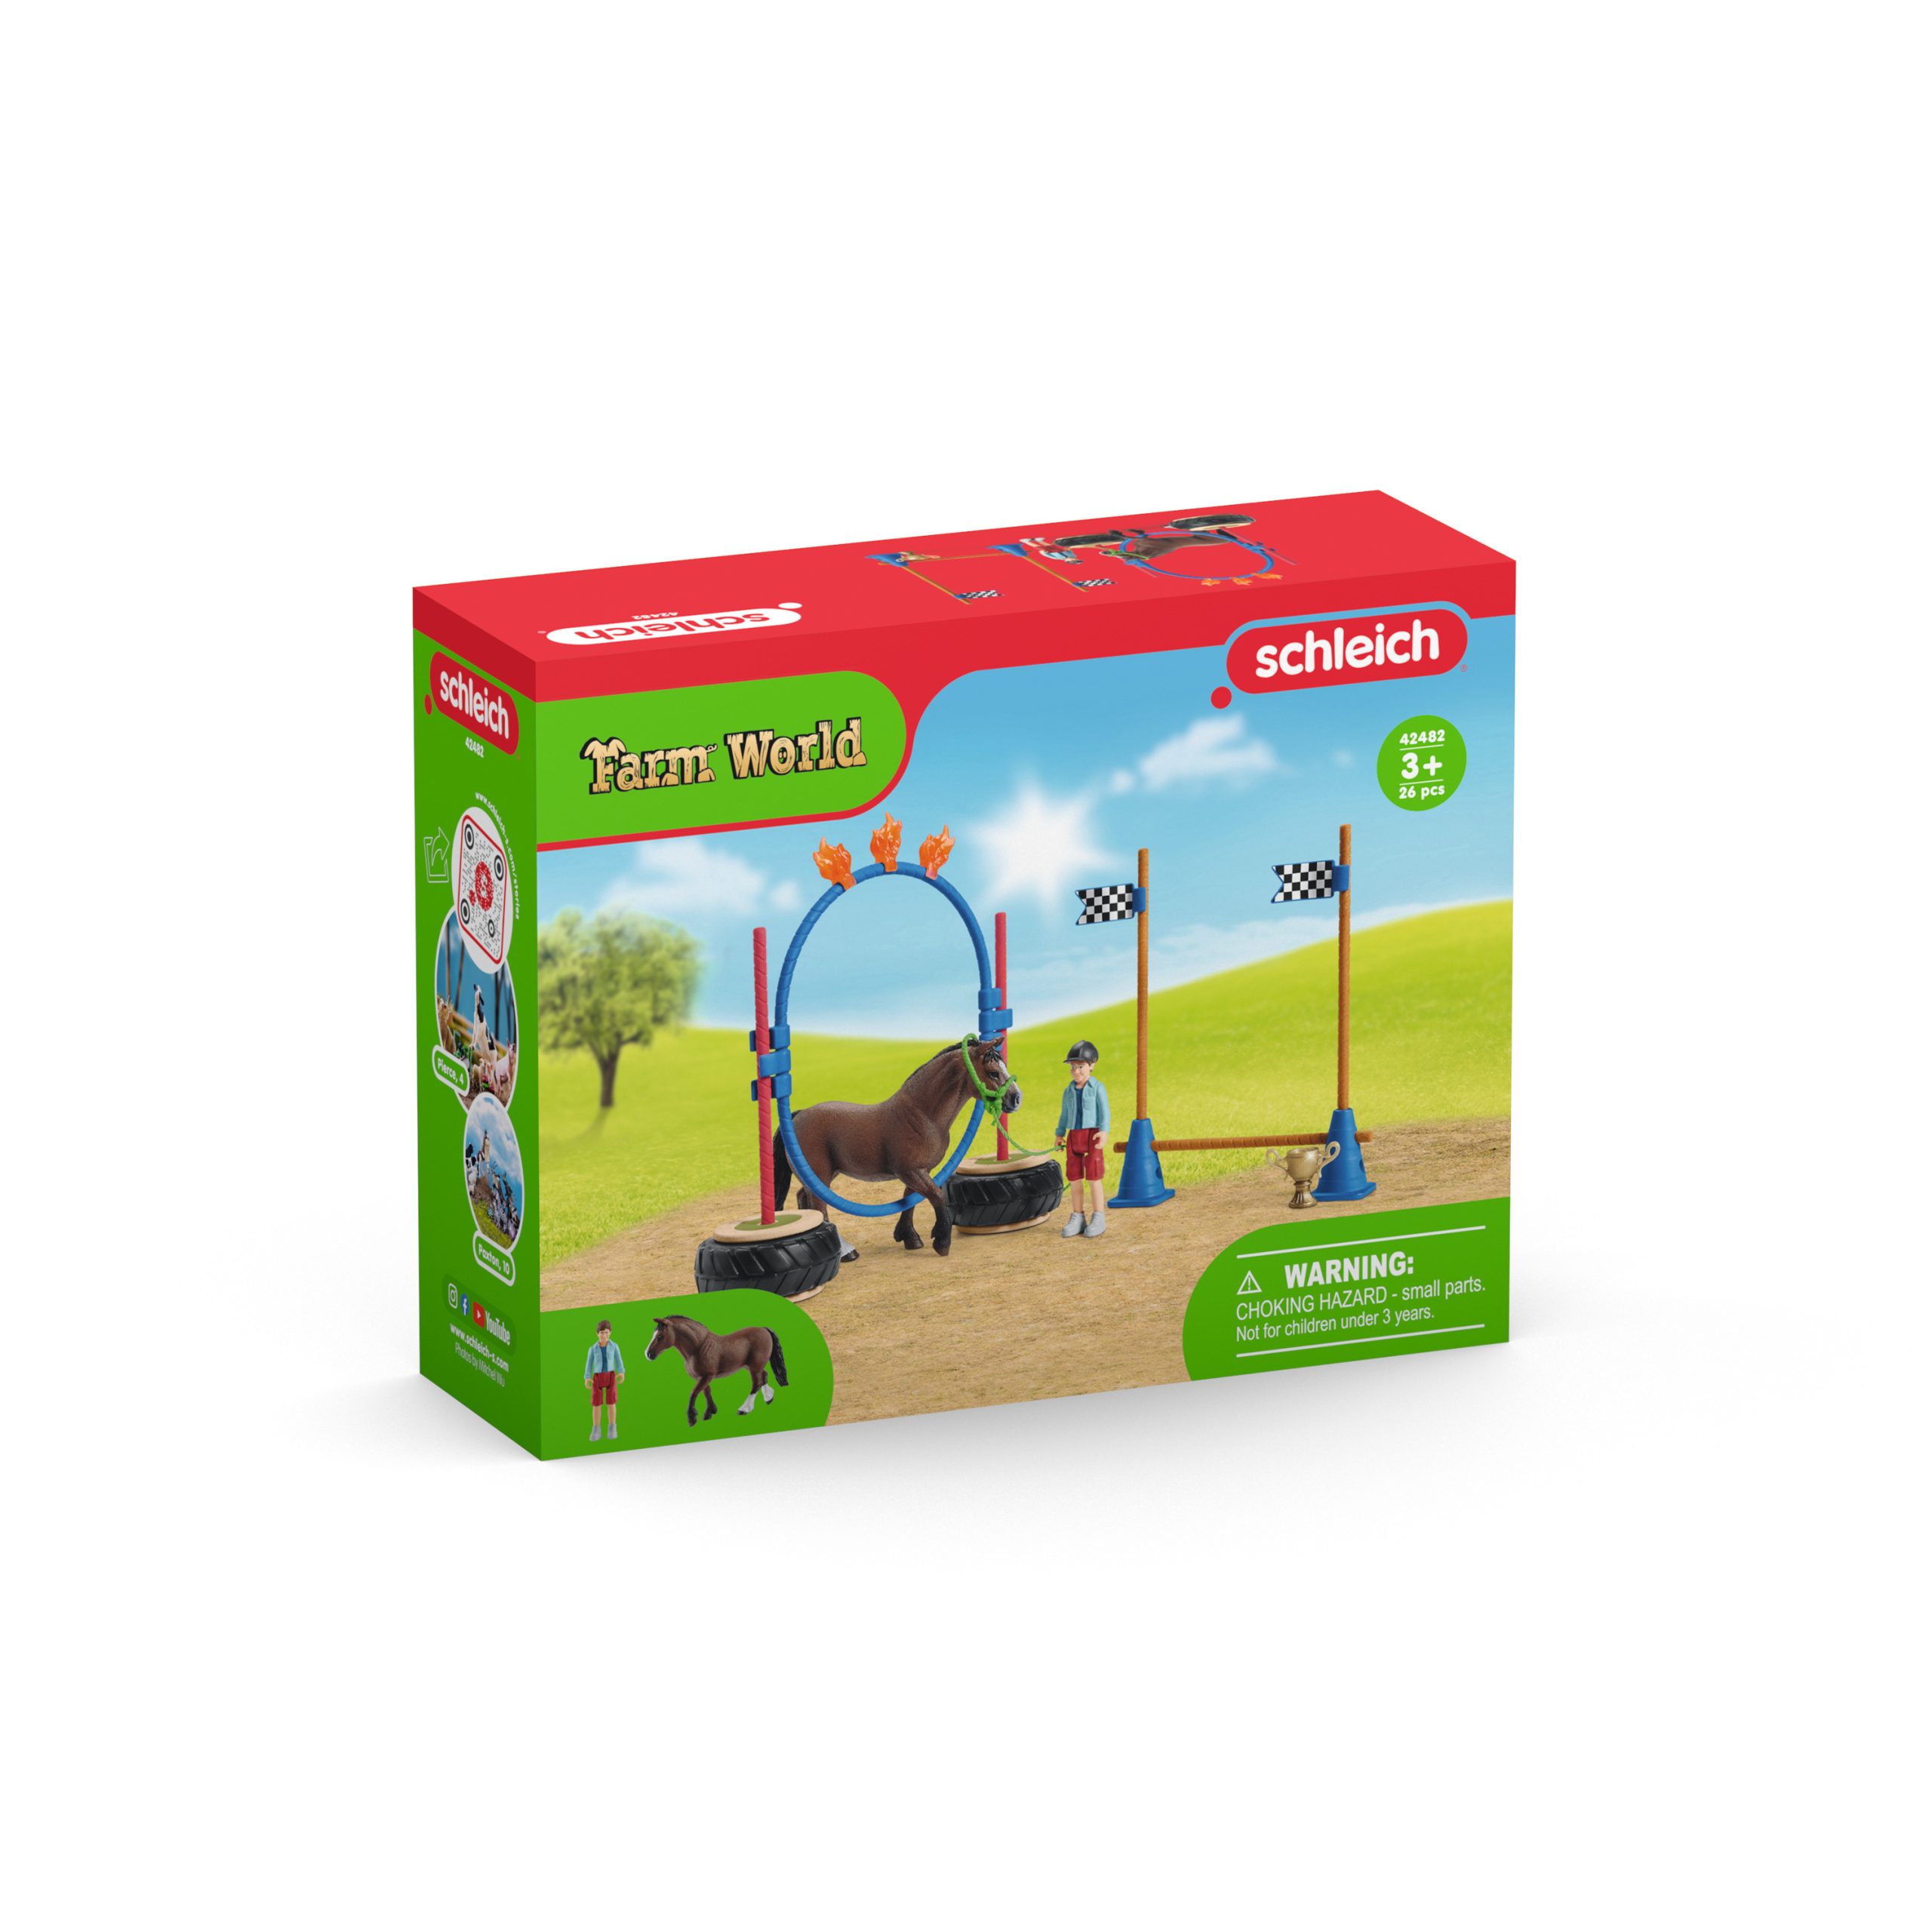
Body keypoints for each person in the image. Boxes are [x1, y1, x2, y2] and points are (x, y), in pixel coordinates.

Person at [1054, 1040, 1110, 1238]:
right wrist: (1059, 1134)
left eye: (1080, 1066)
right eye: (1073, 1067)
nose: (1076, 1071)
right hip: (1073, 1137)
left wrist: (1104, 1131)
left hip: (1092, 1135)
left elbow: (1105, 1112)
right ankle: (1078, 1215)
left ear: (1092, 1065)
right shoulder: (1068, 1091)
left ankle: (1099, 1216)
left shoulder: (1097, 1088)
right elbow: (1064, 1114)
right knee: (1075, 1178)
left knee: (1094, 1177)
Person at [584, 1320, 624, 1441]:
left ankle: (612, 1428)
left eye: (606, 1332)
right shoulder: (593, 1349)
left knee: (611, 1402)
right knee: (596, 1404)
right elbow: (589, 1363)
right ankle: (596, 1429)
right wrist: (587, 1377)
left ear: (610, 1333)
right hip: (597, 1378)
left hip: (611, 1376)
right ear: (597, 1334)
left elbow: (619, 1360)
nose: (604, 1335)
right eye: (602, 1333)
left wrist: (621, 1371)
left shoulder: (614, 1346)